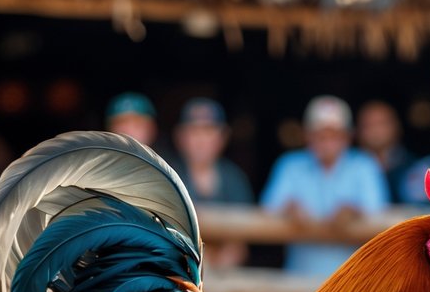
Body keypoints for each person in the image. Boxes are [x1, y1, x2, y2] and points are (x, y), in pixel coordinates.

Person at [261, 96, 388, 278]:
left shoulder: (364, 166)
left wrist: (355, 211)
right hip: (299, 281)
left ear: (348, 137)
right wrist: (289, 208)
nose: (328, 142)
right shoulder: (290, 165)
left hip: (352, 283)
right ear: (307, 136)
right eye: (320, 135)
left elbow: (378, 213)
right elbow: (268, 209)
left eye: (335, 135)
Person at [167, 97, 255, 269]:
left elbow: (241, 244)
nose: (201, 139)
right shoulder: (168, 177)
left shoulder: (234, 179)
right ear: (180, 137)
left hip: (226, 280)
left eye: (209, 131)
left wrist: (219, 265)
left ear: (222, 137)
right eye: (194, 131)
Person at [356, 101, 415, 203]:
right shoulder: (350, 168)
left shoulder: (414, 167)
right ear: (358, 131)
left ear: (396, 127)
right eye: (368, 125)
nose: (375, 130)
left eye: (382, 123)